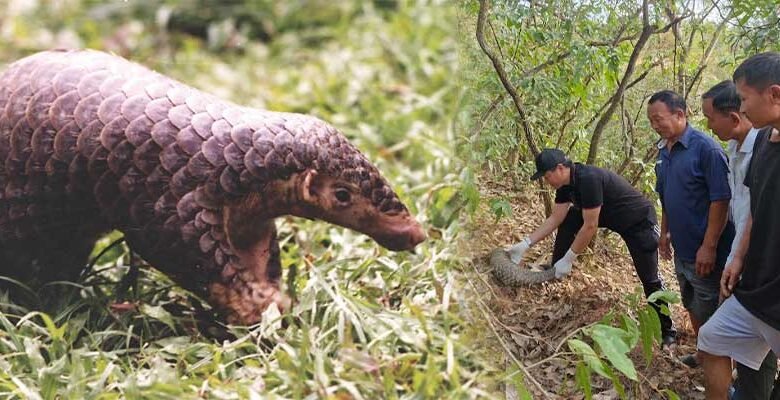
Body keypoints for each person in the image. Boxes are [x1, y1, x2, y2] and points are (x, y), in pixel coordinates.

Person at [507, 148, 676, 345]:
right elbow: (555, 218)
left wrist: (570, 259)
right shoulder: (565, 186)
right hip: (611, 218)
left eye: (546, 176)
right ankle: (555, 268)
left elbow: (590, 226)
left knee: (650, 278)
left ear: (560, 168)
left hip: (638, 223)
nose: (546, 181)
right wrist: (525, 244)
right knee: (570, 218)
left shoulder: (588, 179)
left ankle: (667, 332)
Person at [699, 52, 780, 400]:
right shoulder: (762, 140)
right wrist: (737, 258)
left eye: (745, 98)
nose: (742, 109)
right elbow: (755, 211)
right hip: (757, 288)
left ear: (774, 94)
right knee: (711, 339)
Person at [647, 90, 735, 367]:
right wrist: (664, 233)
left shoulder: (706, 149)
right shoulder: (664, 151)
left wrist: (708, 247)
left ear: (680, 114)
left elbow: (721, 200)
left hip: (706, 251)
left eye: (658, 119)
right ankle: (704, 353)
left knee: (711, 309)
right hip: (682, 249)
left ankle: (723, 364)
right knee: (691, 302)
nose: (655, 125)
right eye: (651, 121)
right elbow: (666, 195)